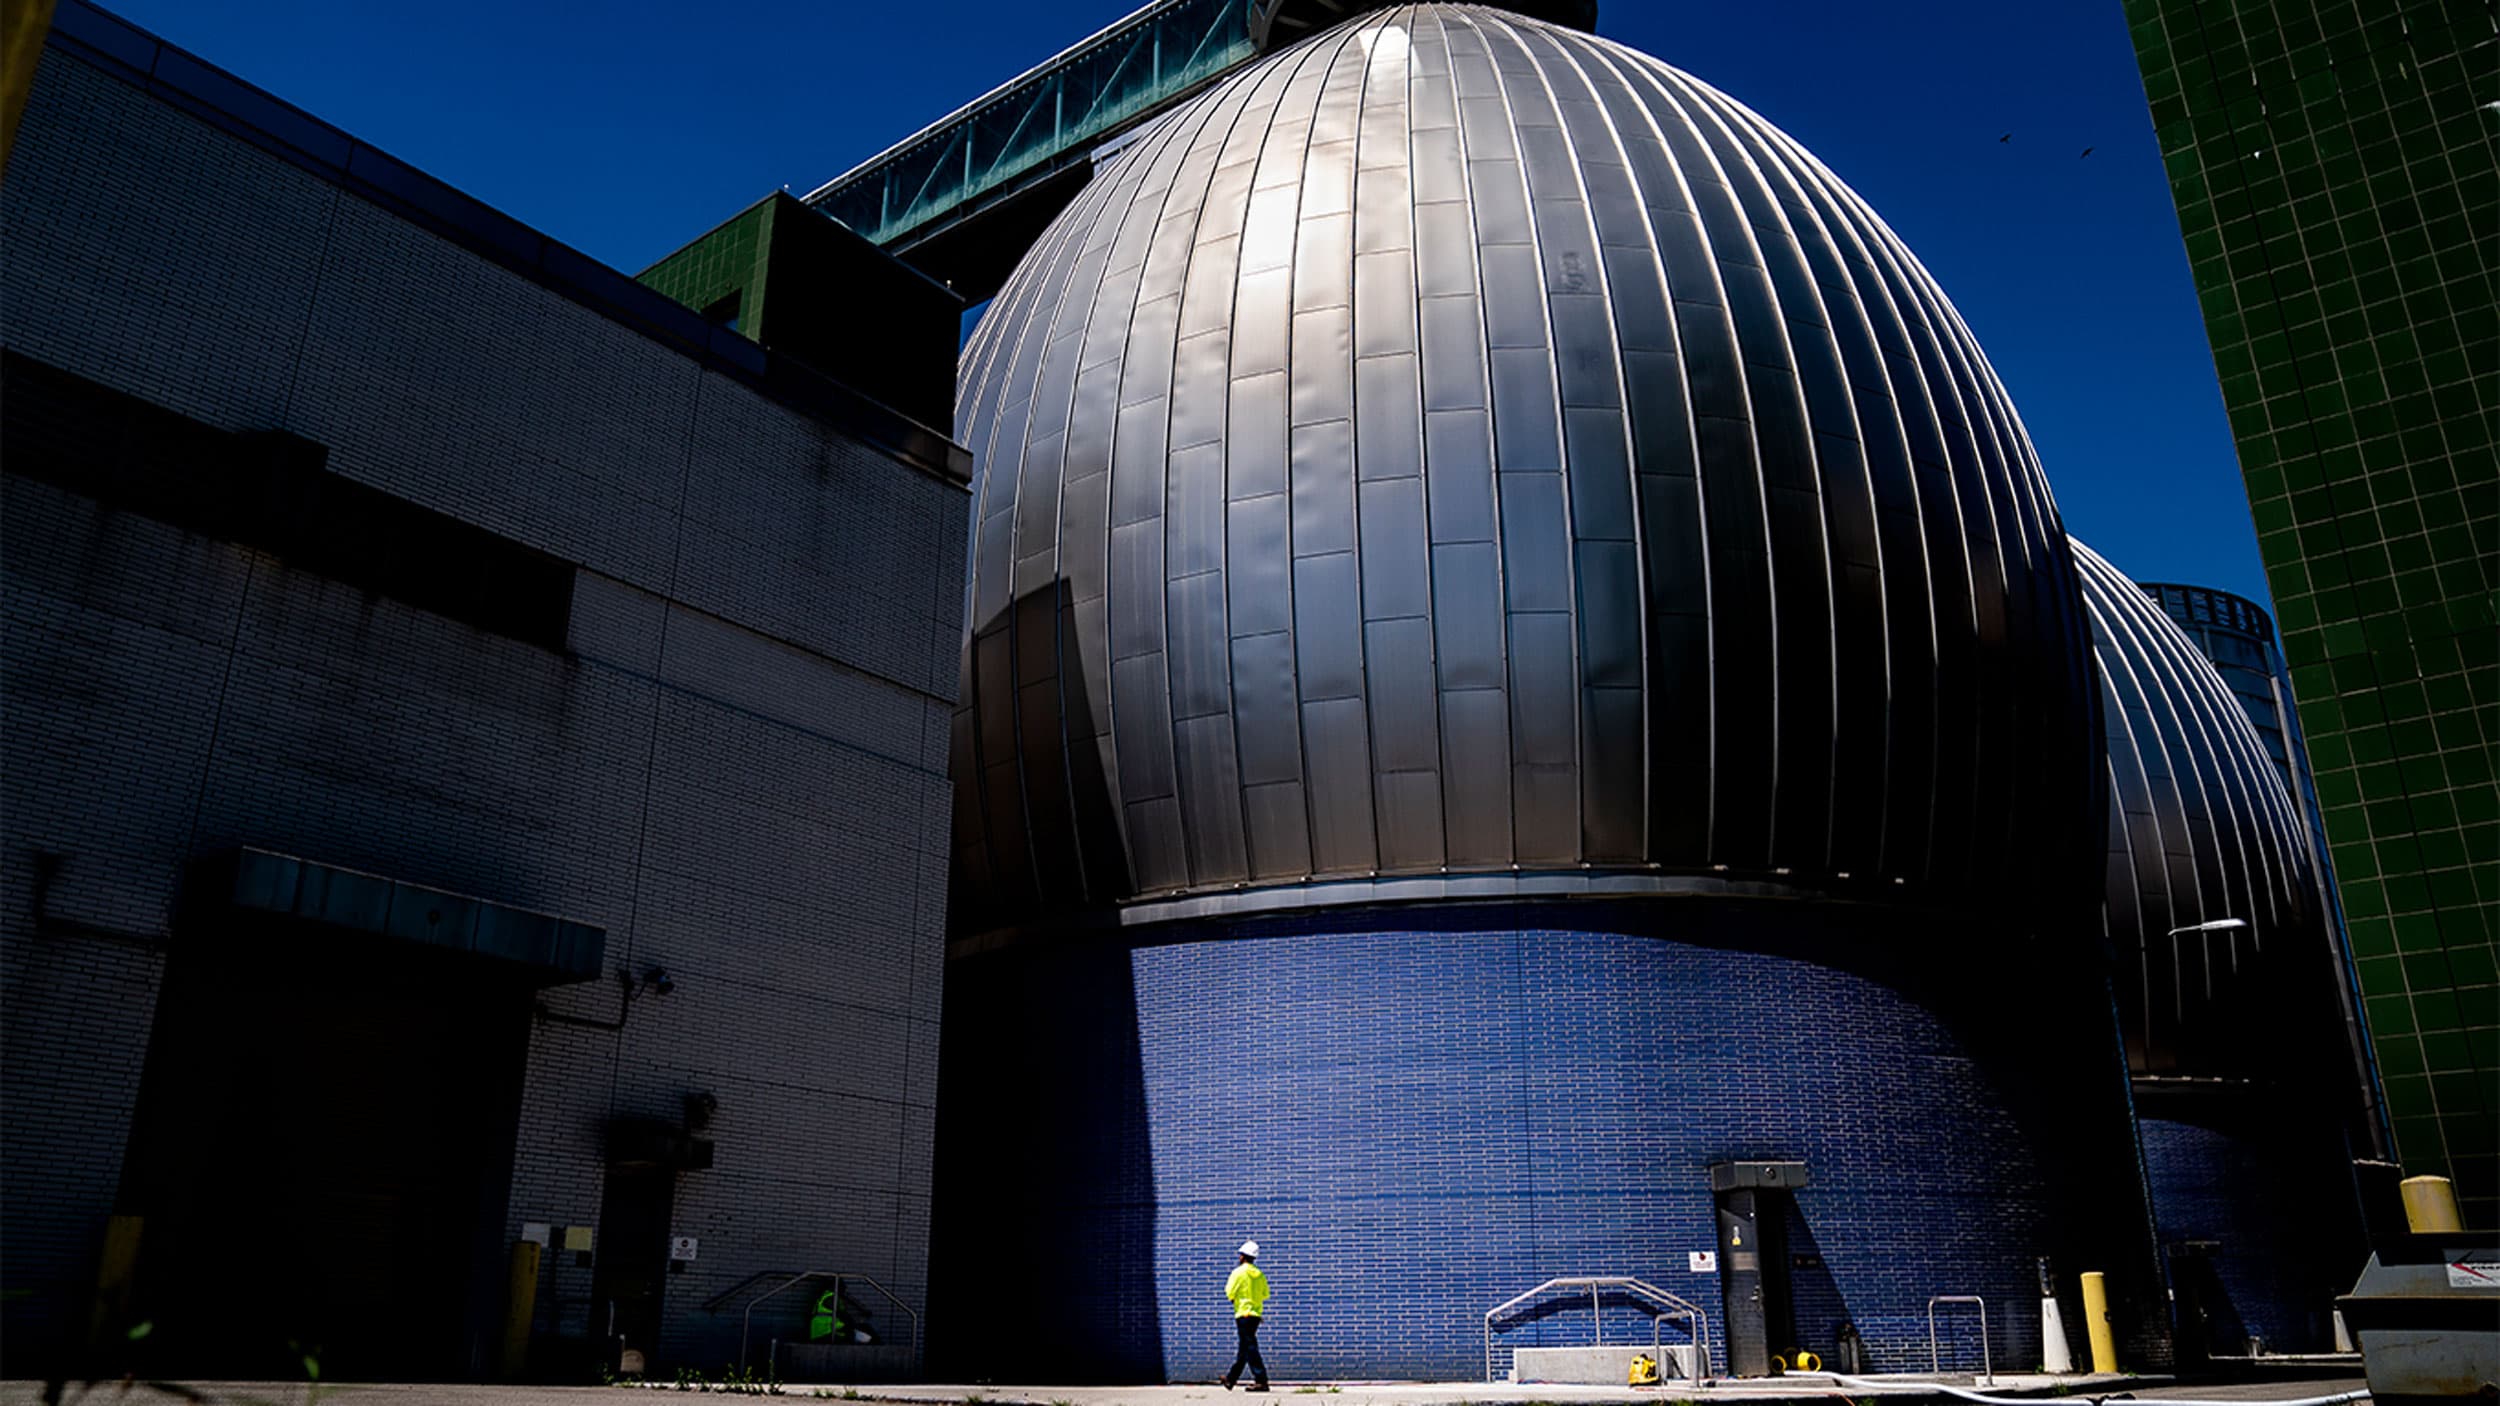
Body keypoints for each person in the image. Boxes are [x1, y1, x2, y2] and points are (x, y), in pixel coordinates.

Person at [1222, 1240, 1270, 1391]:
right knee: (1244, 1348)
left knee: (1250, 1347)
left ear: (1243, 1256)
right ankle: (1231, 1379)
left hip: (1243, 1315)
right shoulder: (1260, 1274)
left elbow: (1229, 1292)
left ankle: (1261, 1380)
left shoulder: (1238, 1272)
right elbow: (1265, 1294)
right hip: (1255, 1315)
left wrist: (1236, 1299)